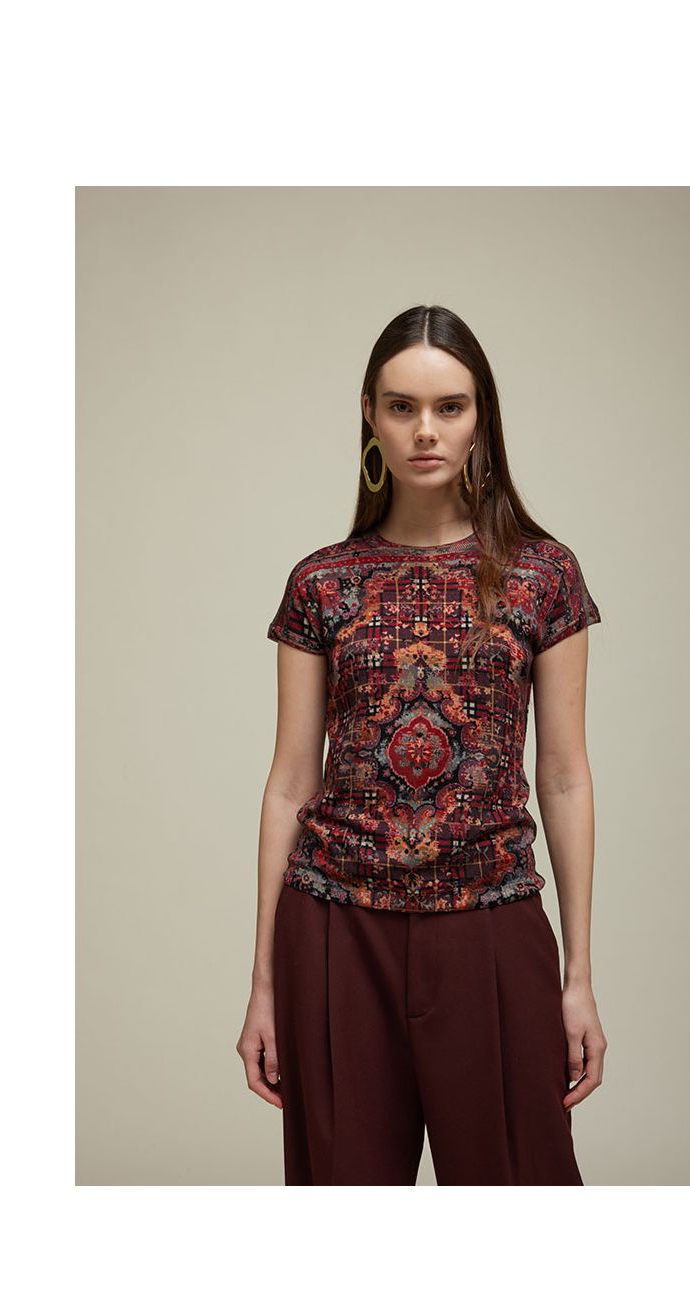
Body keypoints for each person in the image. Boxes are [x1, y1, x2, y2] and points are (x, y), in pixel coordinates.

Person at [237, 304, 608, 1185]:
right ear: (369, 415)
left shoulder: (541, 575)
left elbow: (563, 776)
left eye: (450, 406)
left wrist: (579, 976)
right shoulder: (322, 584)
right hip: (335, 932)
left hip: (492, 925)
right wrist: (263, 985)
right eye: (402, 407)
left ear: (482, 418)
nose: (426, 431)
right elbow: (290, 783)